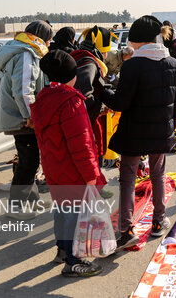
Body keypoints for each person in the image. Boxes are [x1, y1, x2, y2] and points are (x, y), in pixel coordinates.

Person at [101, 16, 176, 251]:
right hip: (161, 131)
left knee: (128, 179)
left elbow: (121, 103)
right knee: (158, 175)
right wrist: (169, 127)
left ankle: (125, 230)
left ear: (138, 41)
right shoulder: (173, 63)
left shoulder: (133, 65)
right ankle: (159, 220)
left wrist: (102, 91)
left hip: (134, 133)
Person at [30, 50, 105, 277]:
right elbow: (81, 144)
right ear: (72, 76)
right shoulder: (71, 102)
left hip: (54, 167)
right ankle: (74, 261)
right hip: (72, 170)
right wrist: (92, 174)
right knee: (74, 214)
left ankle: (62, 250)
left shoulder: (43, 98)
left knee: (62, 211)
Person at [0, 20, 53, 218]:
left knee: (31, 159)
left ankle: (32, 200)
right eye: (49, 40)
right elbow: (24, 90)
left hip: (19, 114)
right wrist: (31, 116)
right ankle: (16, 207)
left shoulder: (17, 48)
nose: (50, 44)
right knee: (28, 161)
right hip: (22, 118)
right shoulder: (27, 53)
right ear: (42, 38)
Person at [70, 26, 114, 166]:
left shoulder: (79, 56)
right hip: (87, 123)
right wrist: (101, 108)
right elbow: (83, 95)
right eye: (106, 50)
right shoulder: (89, 62)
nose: (107, 54)